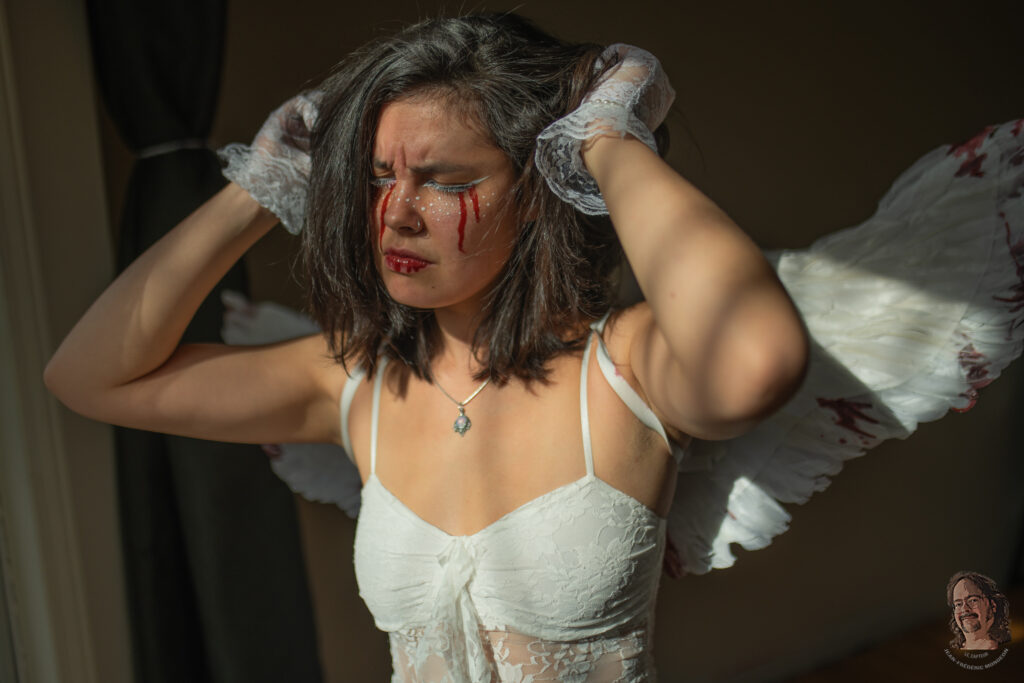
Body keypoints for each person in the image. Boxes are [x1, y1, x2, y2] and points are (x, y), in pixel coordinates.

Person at [44, 12, 1024, 683]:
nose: (395, 213)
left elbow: (755, 358)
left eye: (442, 179)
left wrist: (604, 136)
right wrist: (257, 190)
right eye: (377, 177)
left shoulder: (629, 365)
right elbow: (86, 376)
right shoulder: (352, 377)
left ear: (537, 188)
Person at [947, 571, 1012, 651]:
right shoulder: (953, 651)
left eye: (973, 600)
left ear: (993, 605)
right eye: (958, 604)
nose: (964, 609)